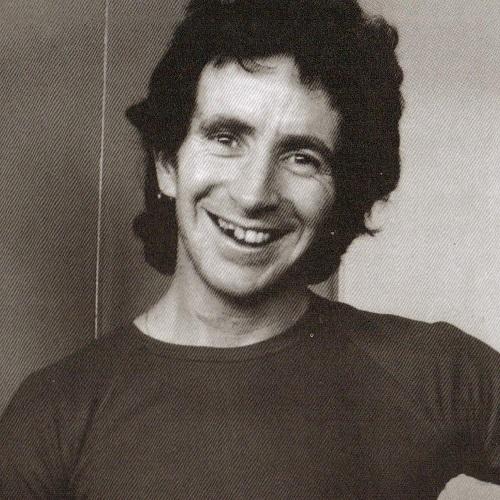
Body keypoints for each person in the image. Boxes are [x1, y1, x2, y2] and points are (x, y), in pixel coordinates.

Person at [1, 0, 498, 498]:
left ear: (341, 192)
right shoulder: (53, 414)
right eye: (226, 137)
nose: (254, 194)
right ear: (167, 164)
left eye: (302, 157)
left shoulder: (432, 373)